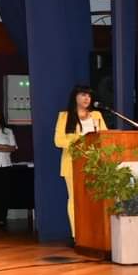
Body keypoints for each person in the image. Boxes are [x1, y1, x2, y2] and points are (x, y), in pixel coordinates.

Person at [54, 84, 108, 236]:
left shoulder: (97, 115)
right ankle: (77, 235)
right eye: (83, 95)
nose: (87, 98)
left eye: (89, 96)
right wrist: (79, 142)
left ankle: (94, 234)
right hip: (73, 163)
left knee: (95, 199)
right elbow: (58, 141)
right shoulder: (65, 116)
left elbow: (105, 137)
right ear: (75, 97)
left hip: (95, 163)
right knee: (75, 199)